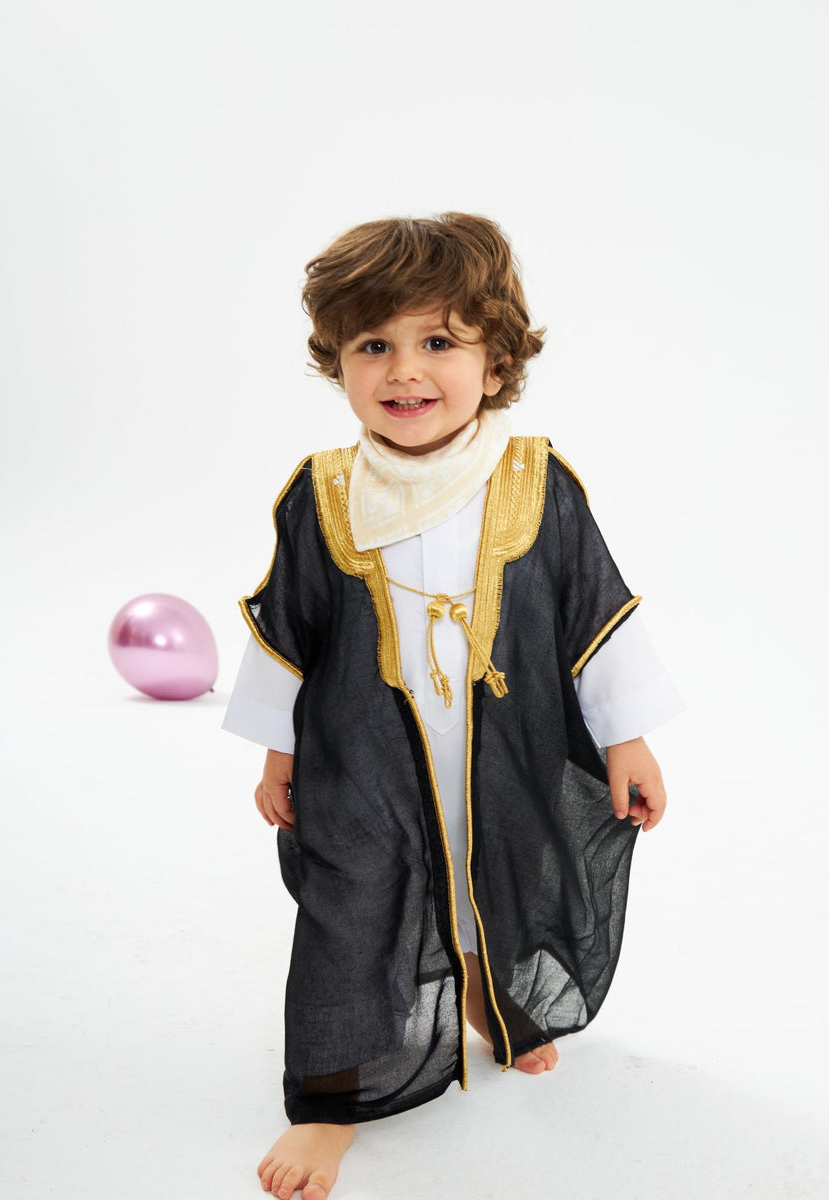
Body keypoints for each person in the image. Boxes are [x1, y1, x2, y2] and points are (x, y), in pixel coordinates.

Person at [222, 212, 686, 1199]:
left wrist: (627, 738)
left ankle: (488, 997)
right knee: (352, 911)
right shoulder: (325, 491)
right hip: (363, 760)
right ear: (336, 360)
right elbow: (288, 631)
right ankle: (331, 1099)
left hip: (504, 746)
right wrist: (277, 751)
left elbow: (593, 611)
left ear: (496, 358)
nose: (405, 371)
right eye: (373, 345)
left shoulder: (535, 481)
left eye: (438, 342)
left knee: (498, 879)